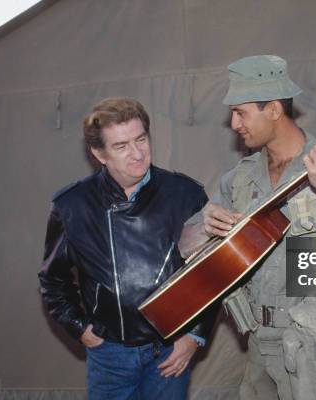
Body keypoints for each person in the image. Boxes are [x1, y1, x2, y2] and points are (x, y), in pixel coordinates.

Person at [179, 55, 316, 400]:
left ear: (274, 109)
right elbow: (185, 248)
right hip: (260, 347)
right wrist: (206, 224)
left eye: (241, 112)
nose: (233, 123)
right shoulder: (240, 180)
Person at [39, 97, 210, 400]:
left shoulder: (185, 193)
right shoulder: (72, 205)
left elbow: (211, 271)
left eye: (141, 139)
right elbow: (54, 281)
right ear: (98, 153)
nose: (136, 154)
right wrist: (83, 331)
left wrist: (194, 335)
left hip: (169, 349)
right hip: (110, 355)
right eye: (121, 146)